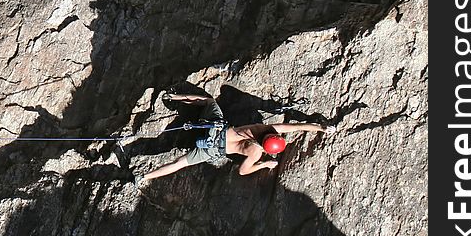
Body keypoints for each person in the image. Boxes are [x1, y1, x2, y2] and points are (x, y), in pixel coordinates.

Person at [140, 92, 335, 180]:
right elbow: (242, 172)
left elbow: (296, 127)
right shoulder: (255, 154)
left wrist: (320, 128)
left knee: (208, 101)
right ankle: (144, 176)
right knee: (179, 164)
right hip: (212, 149)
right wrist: (265, 165)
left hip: (214, 129)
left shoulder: (263, 128)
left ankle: (173, 97)